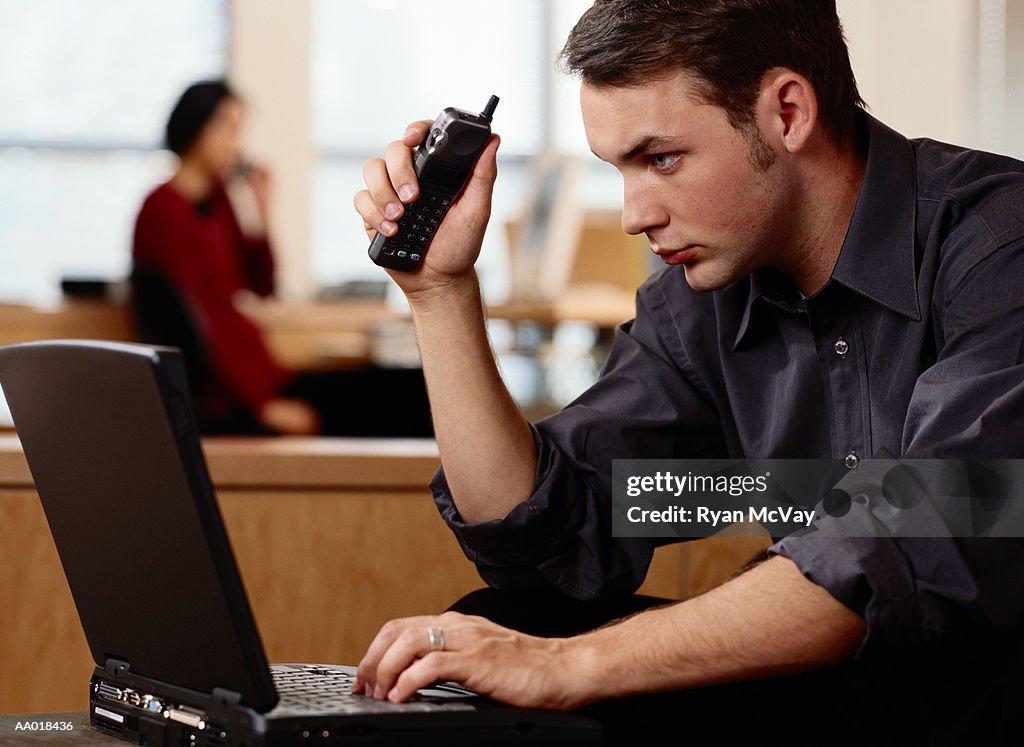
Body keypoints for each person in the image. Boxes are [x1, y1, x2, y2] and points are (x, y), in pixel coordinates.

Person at [351, 0, 1024, 743]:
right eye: (619, 169)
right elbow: (553, 538)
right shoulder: (699, 302)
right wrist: (442, 295)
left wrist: (572, 665)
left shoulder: (999, 241)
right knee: (503, 620)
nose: (635, 213)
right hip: (855, 699)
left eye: (661, 159)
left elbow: (931, 526)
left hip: (988, 701)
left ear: (788, 111)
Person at [133, 80, 433, 437]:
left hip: (261, 376)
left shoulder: (219, 201)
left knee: (411, 386)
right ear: (196, 128)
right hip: (231, 396)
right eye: (228, 127)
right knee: (402, 401)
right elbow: (202, 323)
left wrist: (260, 211)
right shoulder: (163, 209)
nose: (237, 143)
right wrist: (262, 406)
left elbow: (261, 285)